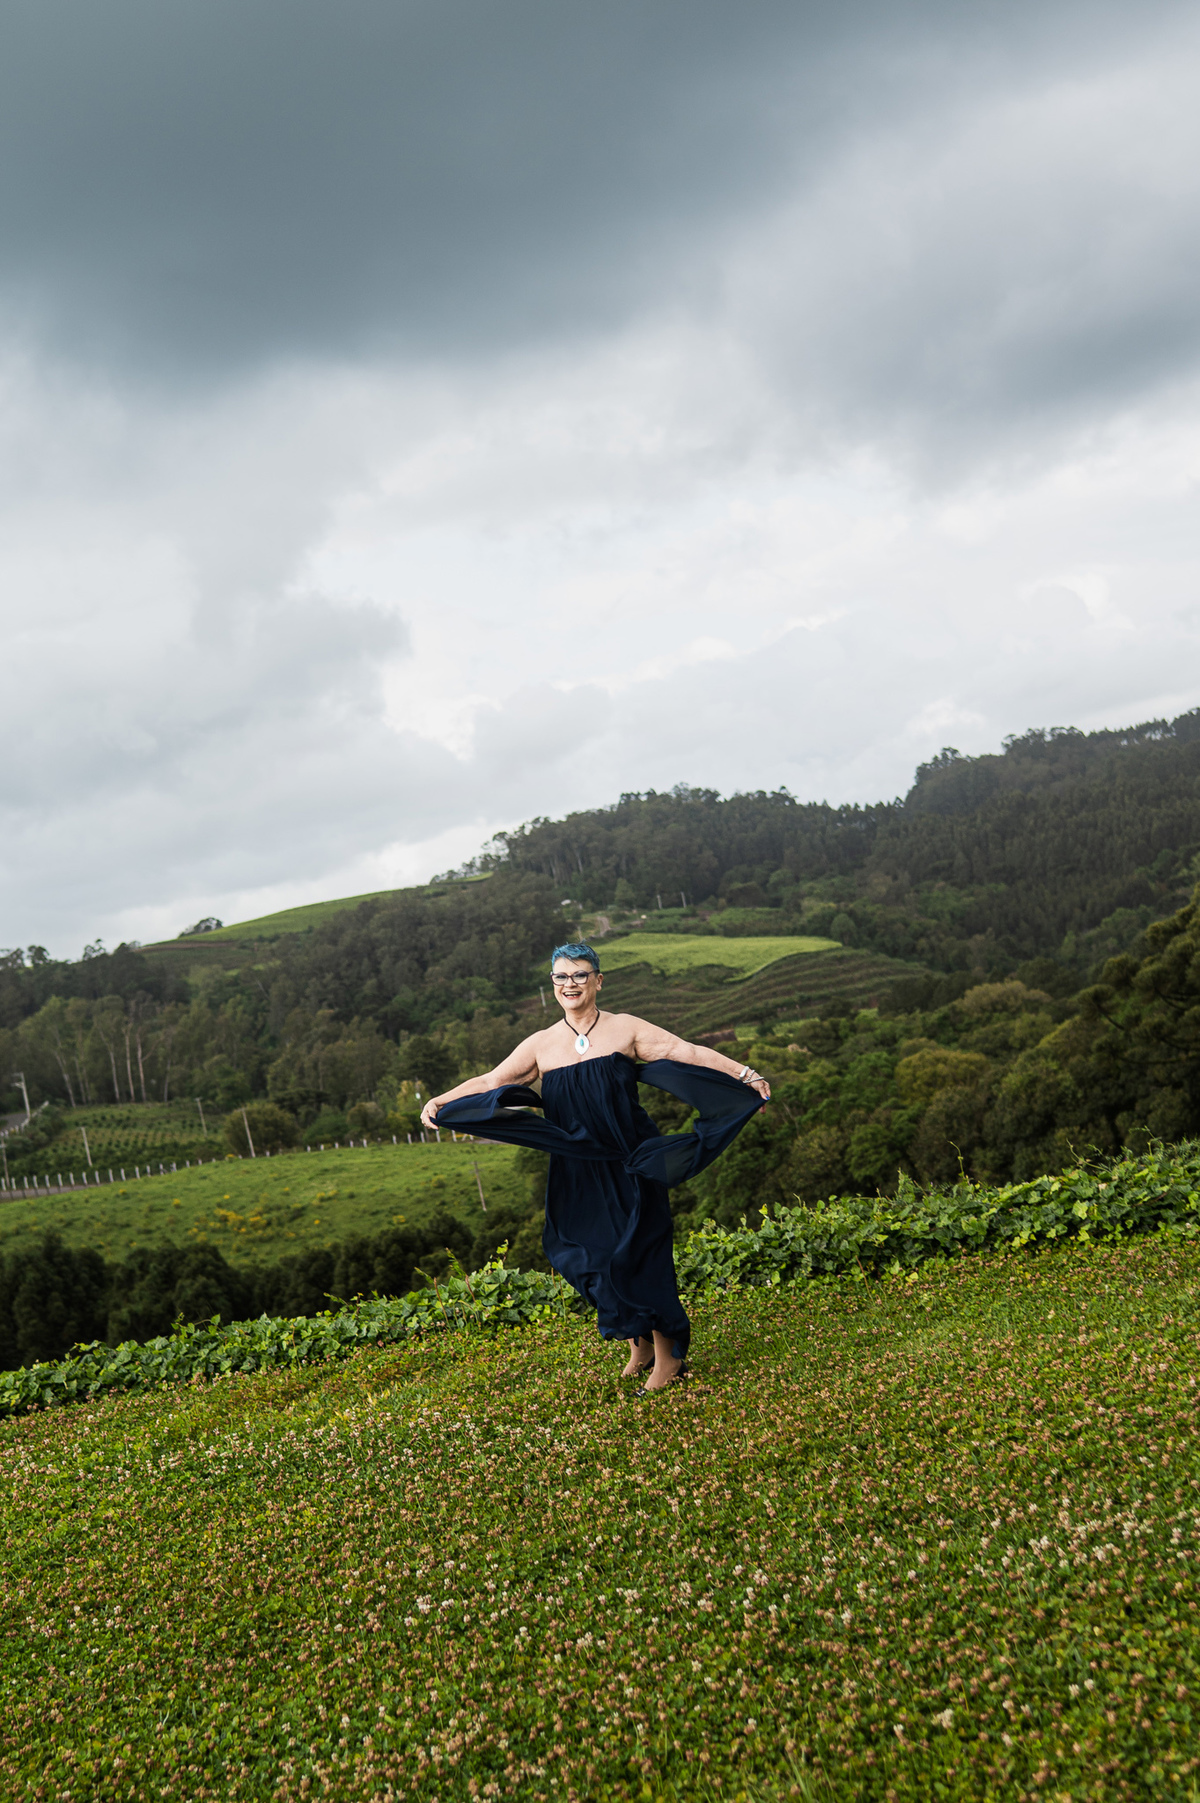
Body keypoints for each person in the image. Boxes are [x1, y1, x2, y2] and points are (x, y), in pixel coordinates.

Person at [420, 942, 770, 1394]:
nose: (571, 984)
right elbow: (491, 1082)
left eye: (580, 975)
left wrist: (746, 1075)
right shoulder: (541, 1044)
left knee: (641, 1255)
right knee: (581, 1254)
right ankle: (638, 1342)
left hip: (632, 1161)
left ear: (598, 980)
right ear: (552, 985)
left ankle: (670, 1358)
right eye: (562, 977)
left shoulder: (625, 1029)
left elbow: (687, 1052)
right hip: (577, 1168)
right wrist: (442, 1099)